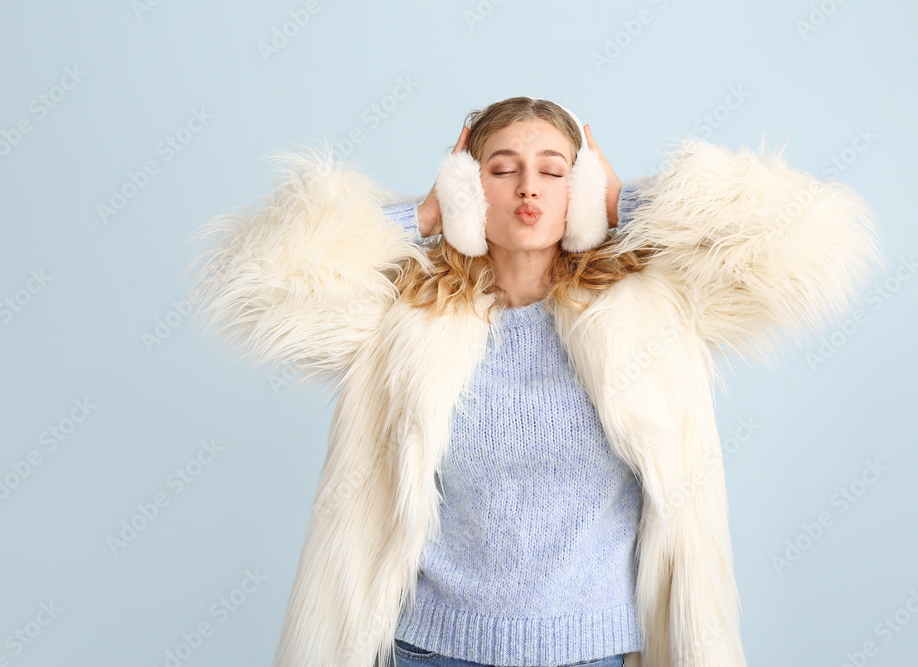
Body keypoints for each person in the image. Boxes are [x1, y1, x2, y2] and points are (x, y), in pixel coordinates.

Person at [185, 96, 883, 667]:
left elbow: (807, 242)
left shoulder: (648, 312)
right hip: (434, 651)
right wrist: (422, 216)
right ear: (467, 184)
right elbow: (266, 282)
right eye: (500, 168)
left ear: (575, 191)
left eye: (554, 171)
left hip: (598, 652)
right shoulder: (408, 317)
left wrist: (624, 206)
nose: (527, 187)